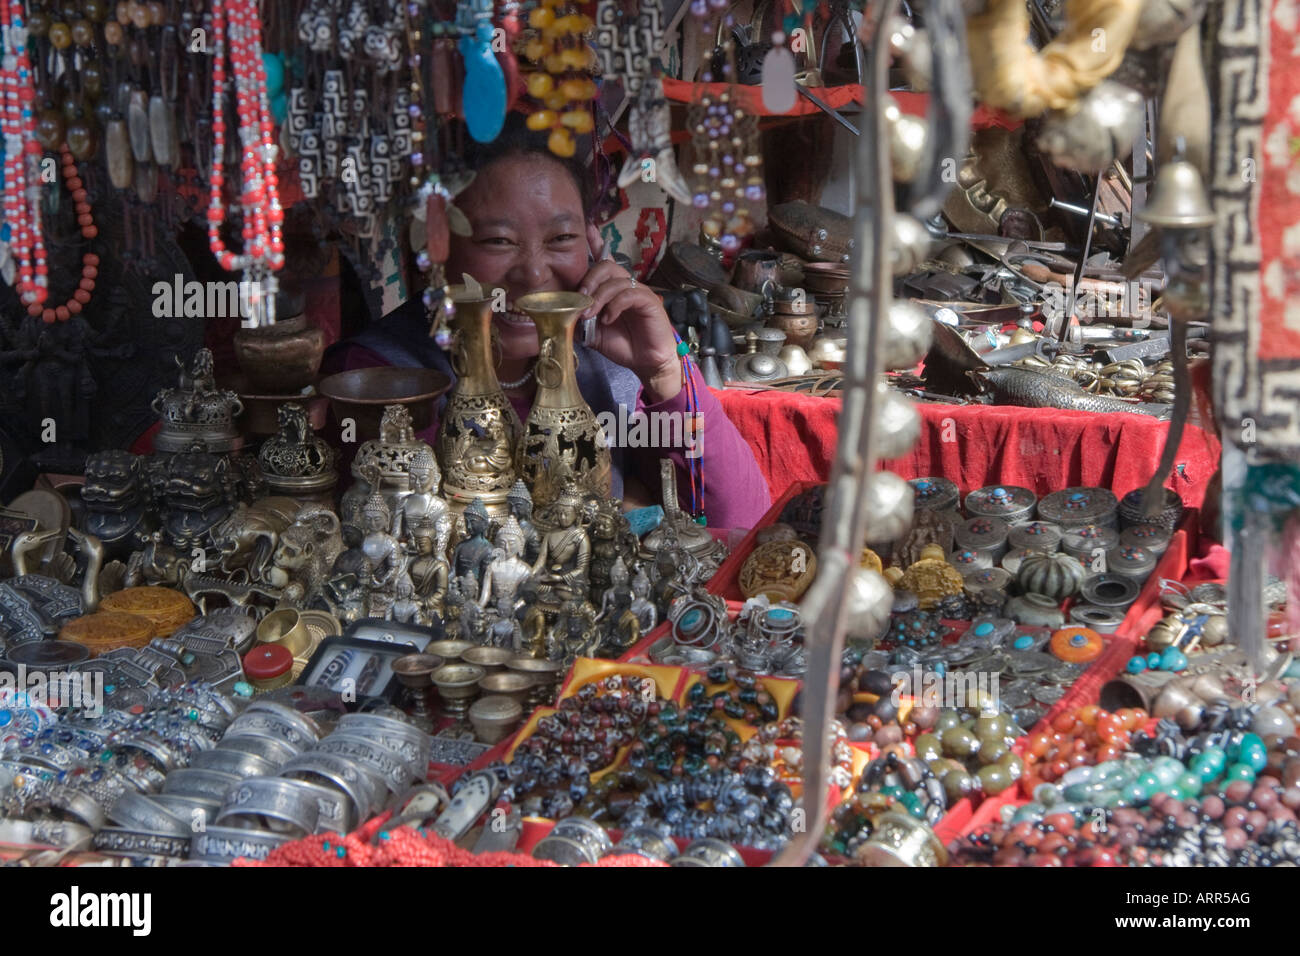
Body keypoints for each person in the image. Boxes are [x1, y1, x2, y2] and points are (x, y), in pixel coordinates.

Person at [325, 117, 771, 530]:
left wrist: (664, 374)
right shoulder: (380, 377)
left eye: (561, 239)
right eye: (498, 241)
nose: (535, 275)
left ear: (594, 246)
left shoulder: (613, 363)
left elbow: (740, 525)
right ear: (435, 253)